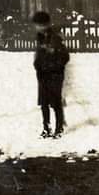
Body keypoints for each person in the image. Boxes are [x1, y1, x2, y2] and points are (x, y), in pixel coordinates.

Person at [32, 11, 70, 139]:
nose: (37, 27)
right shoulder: (40, 37)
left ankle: (59, 128)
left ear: (46, 24)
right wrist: (37, 65)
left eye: (40, 25)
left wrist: (54, 66)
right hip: (43, 74)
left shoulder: (55, 38)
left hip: (55, 75)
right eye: (37, 25)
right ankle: (46, 128)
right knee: (44, 103)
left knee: (55, 102)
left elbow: (65, 57)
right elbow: (39, 54)